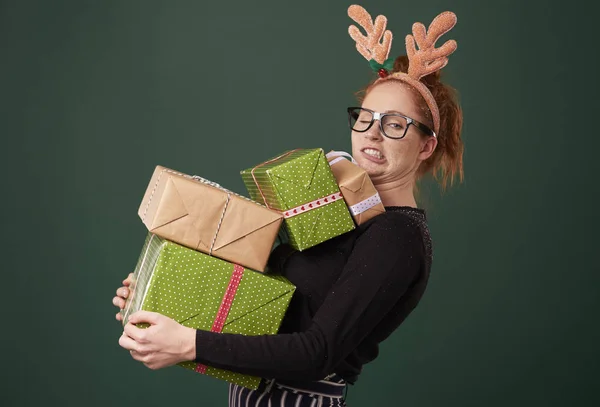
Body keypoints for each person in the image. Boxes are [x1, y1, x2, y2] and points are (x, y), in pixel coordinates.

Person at [112, 5, 464, 406]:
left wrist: (188, 343)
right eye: (365, 118)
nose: (372, 134)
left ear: (427, 145)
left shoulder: (398, 235)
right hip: (256, 393)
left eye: (395, 124)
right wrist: (163, 296)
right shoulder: (341, 212)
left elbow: (316, 352)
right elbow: (269, 303)